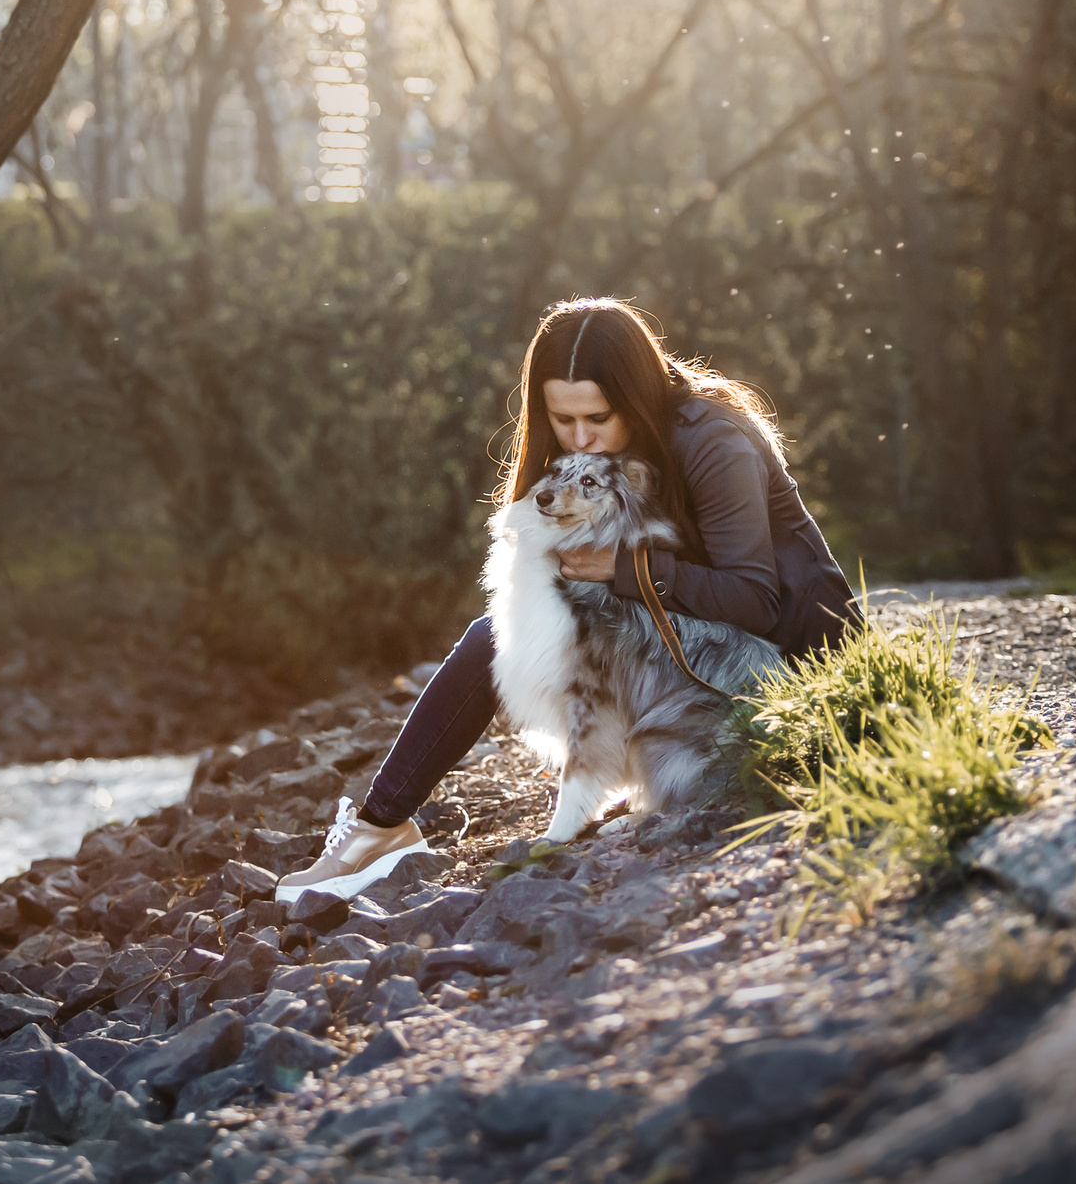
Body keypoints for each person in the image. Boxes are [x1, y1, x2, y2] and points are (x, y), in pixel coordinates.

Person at [276, 297, 860, 899]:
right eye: (562, 420)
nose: (582, 437)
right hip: (707, 660)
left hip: (792, 673)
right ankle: (382, 826)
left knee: (495, 638)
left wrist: (624, 567)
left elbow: (755, 601)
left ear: (635, 395)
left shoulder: (715, 442)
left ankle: (378, 828)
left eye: (600, 417)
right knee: (511, 627)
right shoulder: (597, 456)